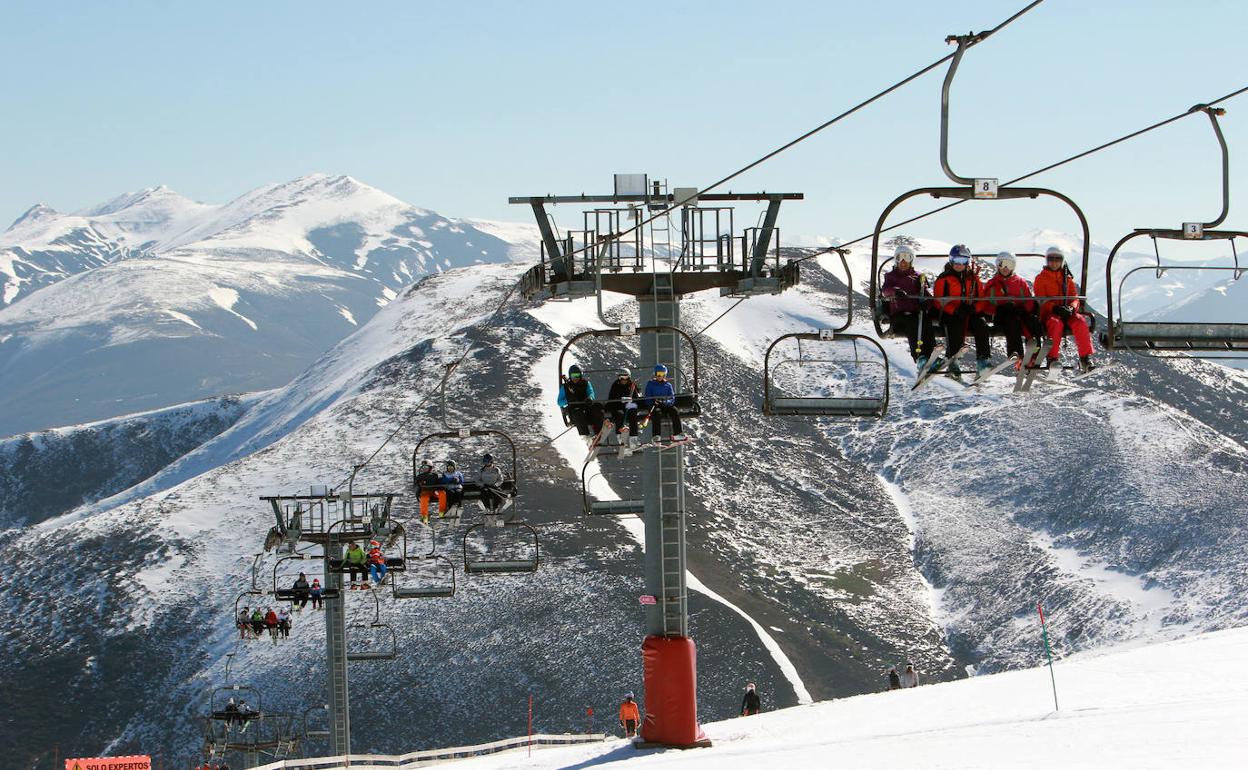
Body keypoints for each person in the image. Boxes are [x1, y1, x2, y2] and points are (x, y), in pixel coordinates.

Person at [932, 244, 993, 377]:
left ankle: (983, 360)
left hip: (969, 312)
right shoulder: (944, 279)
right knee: (956, 324)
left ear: (967, 262)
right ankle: (953, 361)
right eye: (956, 260)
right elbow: (938, 300)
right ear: (951, 260)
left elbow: (982, 299)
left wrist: (974, 308)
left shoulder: (973, 279)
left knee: (981, 324)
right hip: (949, 313)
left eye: (963, 261)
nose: (959, 264)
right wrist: (953, 310)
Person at [1033, 246, 1095, 372]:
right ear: (1047, 261)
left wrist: (1072, 308)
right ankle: (1052, 358)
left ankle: (1085, 358)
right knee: (1056, 324)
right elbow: (1041, 299)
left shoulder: (1067, 279)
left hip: (1066, 312)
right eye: (1051, 259)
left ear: (1061, 261)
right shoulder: (1041, 279)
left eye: (1057, 260)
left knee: (1080, 321)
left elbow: (1074, 297)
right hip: (1050, 313)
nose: (1054, 263)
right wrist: (1055, 308)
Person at [881, 244, 937, 369]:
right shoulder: (891, 276)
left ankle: (931, 355)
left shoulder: (919, 277)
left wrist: (926, 303)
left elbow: (927, 294)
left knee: (926, 322)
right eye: (900, 258)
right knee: (912, 323)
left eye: (906, 257)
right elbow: (885, 290)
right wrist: (895, 291)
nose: (903, 261)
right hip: (899, 314)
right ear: (896, 259)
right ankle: (919, 357)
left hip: (916, 312)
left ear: (911, 260)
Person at [984, 252, 1044, 366]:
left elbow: (1029, 301)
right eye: (1002, 264)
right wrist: (999, 309)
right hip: (1002, 317)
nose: (1005, 268)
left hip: (1019, 314)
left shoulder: (1020, 282)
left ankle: (1035, 353)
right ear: (997, 265)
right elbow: (986, 305)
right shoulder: (992, 284)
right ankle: (1016, 354)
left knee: (1033, 322)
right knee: (1011, 323)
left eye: (1009, 265)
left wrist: (1023, 309)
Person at [557, 364, 605, 439]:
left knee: (597, 406)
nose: (576, 378)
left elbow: (591, 393)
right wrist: (568, 400)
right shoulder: (565, 387)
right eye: (573, 375)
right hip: (575, 412)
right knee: (578, 412)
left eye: (577, 375)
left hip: (586, 409)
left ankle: (598, 433)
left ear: (580, 375)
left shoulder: (586, 383)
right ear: (570, 376)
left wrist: (590, 398)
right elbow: (559, 402)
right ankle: (586, 436)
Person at [642, 364, 685, 442]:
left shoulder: (668, 385)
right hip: (655, 406)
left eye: (662, 374)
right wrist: (653, 402)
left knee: (674, 410)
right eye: (658, 374)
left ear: (664, 375)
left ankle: (678, 434)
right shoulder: (651, 384)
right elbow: (647, 397)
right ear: (655, 374)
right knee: (657, 413)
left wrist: (665, 402)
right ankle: (656, 435)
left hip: (665, 405)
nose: (659, 376)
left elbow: (672, 398)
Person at [605, 370, 641, 446]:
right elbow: (611, 399)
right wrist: (620, 400)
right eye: (622, 377)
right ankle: (620, 437)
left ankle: (633, 438)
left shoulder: (632, 385)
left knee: (633, 412)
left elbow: (638, 399)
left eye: (626, 377)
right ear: (619, 377)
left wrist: (632, 400)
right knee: (619, 414)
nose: (624, 380)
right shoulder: (615, 385)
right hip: (617, 406)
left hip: (628, 406)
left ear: (629, 377)